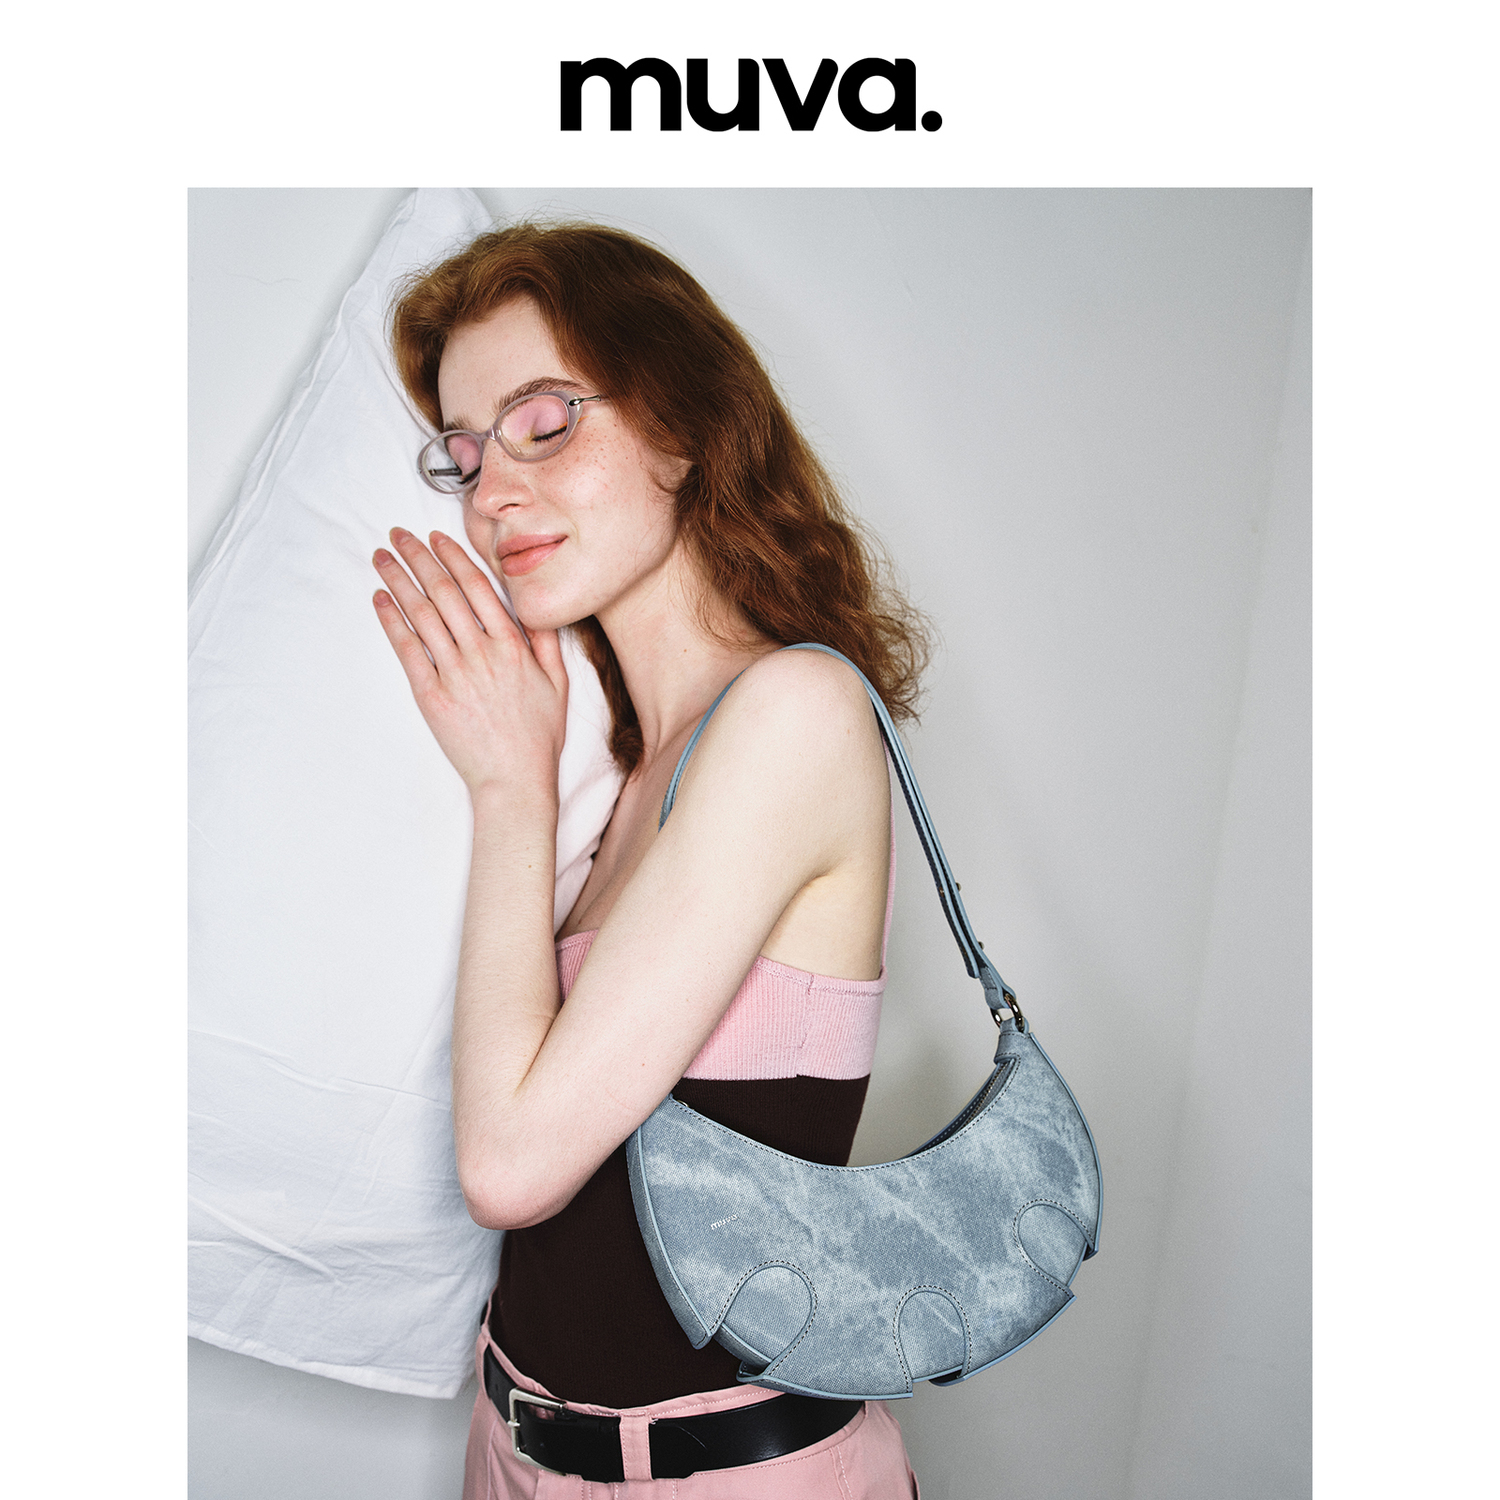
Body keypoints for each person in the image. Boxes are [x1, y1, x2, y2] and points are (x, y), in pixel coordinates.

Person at [375, 222, 928, 1497]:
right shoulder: (628, 760)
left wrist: (509, 790)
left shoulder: (795, 713)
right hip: (511, 1445)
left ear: (685, 428)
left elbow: (509, 1167)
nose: (491, 492)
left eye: (543, 423)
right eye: (465, 455)